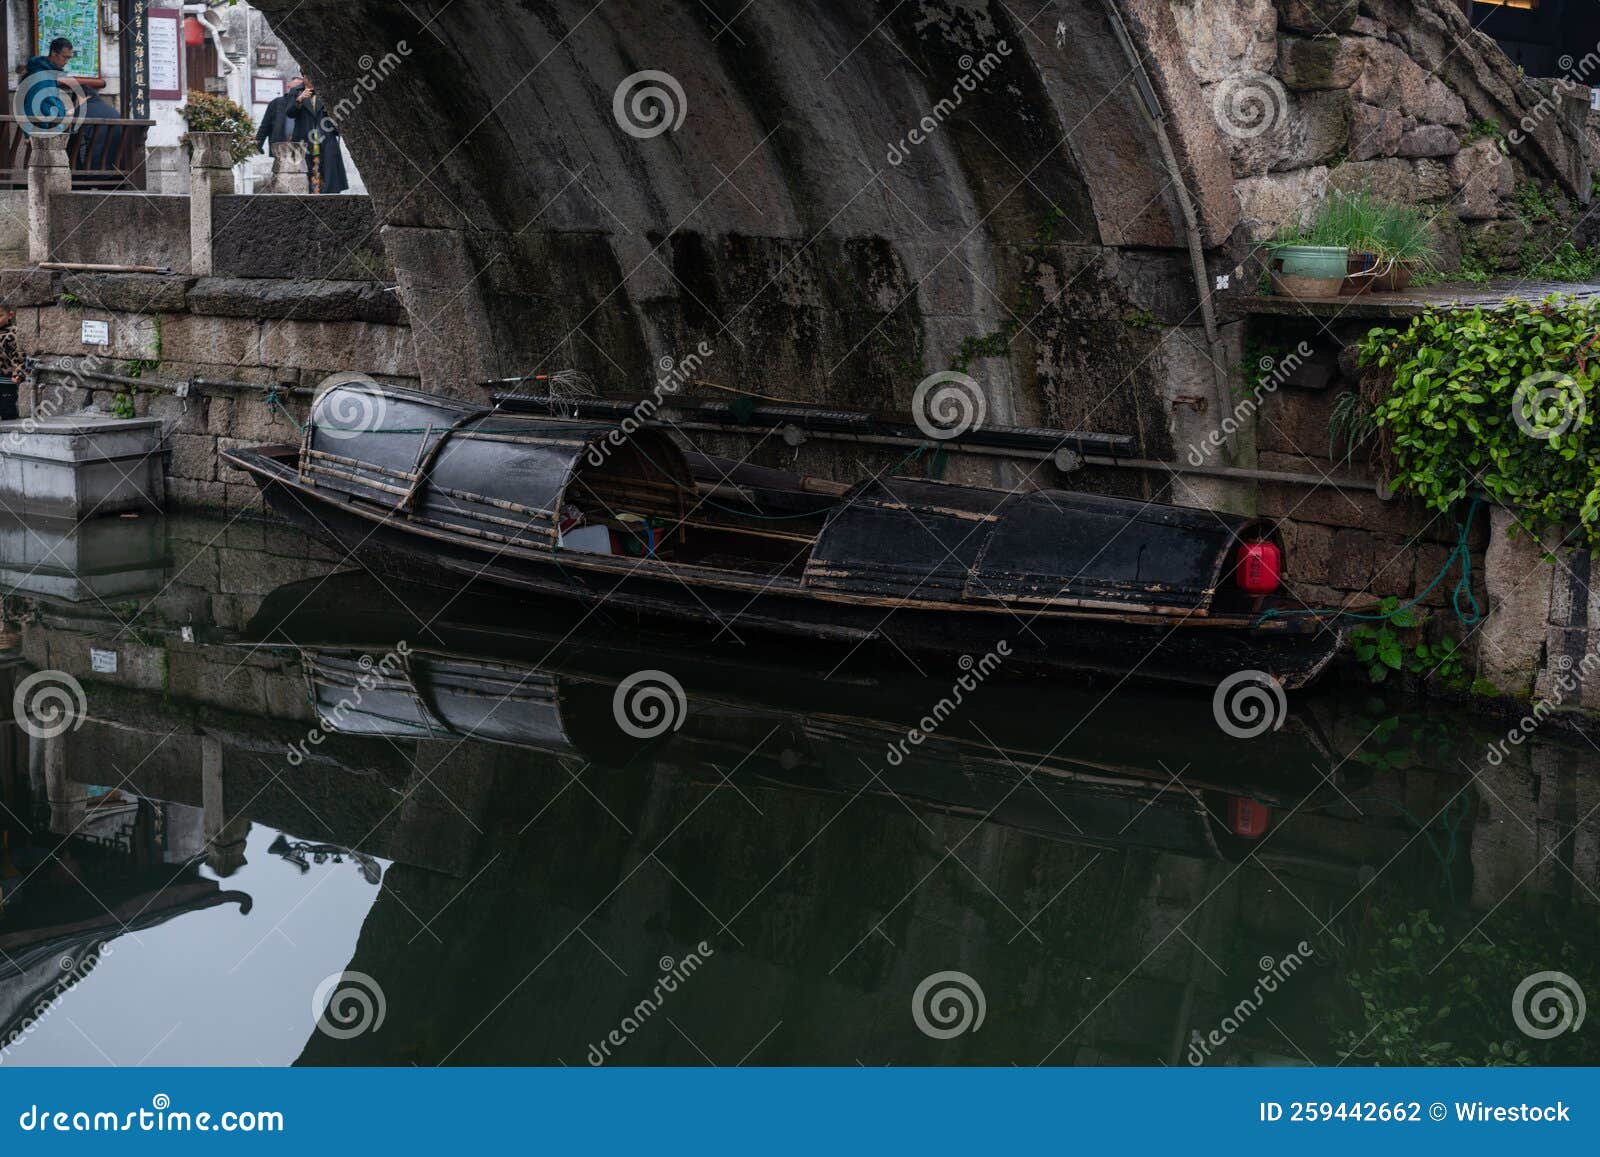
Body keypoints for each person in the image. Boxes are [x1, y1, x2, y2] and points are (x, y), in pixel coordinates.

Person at [291, 78, 349, 194]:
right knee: (307, 174)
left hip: (326, 137)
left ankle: (329, 197)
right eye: (308, 75)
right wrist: (299, 100)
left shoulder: (327, 90)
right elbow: (289, 113)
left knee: (329, 172)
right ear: (304, 76)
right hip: (306, 138)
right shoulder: (296, 91)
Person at [256, 75, 304, 153]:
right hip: (280, 146)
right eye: (293, 88)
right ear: (288, 87)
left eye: (299, 89)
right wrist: (258, 144)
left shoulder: (306, 104)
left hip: (300, 145)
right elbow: (265, 125)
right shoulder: (276, 103)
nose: (296, 91)